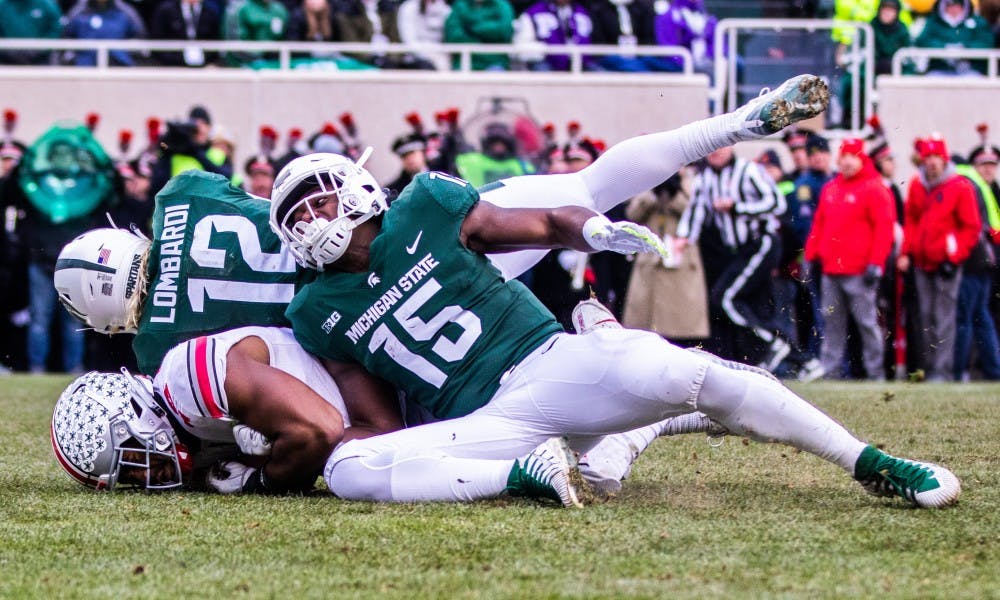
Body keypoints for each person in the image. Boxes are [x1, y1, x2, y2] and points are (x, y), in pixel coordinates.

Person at [55, 74, 834, 499]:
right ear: (127, 237)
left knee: (468, 426)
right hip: (398, 243)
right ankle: (728, 126)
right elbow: (273, 191)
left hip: (367, 325)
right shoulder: (181, 201)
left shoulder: (164, 346)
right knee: (588, 188)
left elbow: (266, 399)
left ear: (114, 324)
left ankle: (625, 412)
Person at [268, 77, 959, 509]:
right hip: (490, 422)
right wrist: (276, 442)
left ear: (357, 187)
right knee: (353, 469)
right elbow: (379, 424)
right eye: (295, 217)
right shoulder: (316, 309)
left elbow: (547, 218)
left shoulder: (427, 204)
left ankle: (869, 462)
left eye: (316, 203)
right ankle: (533, 472)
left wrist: (596, 233)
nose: (310, 221)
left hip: (546, 362)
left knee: (685, 369)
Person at [675, 145, 821, 381]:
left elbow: (776, 203)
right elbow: (696, 212)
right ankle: (804, 360)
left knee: (725, 298)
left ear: (731, 147)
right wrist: (684, 238)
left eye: (720, 147)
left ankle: (772, 343)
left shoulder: (748, 171)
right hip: (738, 251)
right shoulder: (705, 179)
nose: (715, 152)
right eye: (711, 148)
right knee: (754, 308)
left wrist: (737, 208)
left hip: (761, 243)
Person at [803, 138, 895, 381]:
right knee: (831, 322)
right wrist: (810, 256)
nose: (846, 161)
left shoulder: (874, 188)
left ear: (861, 159)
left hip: (860, 270)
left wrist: (877, 262)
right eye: (843, 155)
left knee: (866, 323)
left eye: (852, 155)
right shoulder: (831, 188)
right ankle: (830, 370)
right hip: (831, 270)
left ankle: (875, 373)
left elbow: (884, 229)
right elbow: (819, 226)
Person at [898, 137, 981, 382]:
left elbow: (970, 228)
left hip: (946, 263)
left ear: (943, 159)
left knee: (943, 318)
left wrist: (954, 255)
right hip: (923, 261)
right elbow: (911, 220)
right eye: (928, 158)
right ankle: (928, 368)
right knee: (925, 317)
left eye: (936, 158)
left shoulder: (960, 187)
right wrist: (907, 251)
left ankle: (942, 371)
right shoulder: (917, 185)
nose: (932, 163)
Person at [622, 169, 710, 346]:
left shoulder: (692, 183)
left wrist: (675, 194)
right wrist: (653, 194)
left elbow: (697, 213)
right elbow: (633, 214)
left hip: (681, 259)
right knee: (644, 326)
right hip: (650, 260)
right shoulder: (647, 181)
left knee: (681, 324)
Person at [915, 0, 993, 76]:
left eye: (957, 5)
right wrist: (944, 48)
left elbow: (986, 43)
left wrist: (964, 48)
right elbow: (922, 41)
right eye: (949, 5)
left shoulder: (978, 22)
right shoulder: (933, 22)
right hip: (939, 69)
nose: (954, 9)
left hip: (971, 70)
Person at [62, 0, 146, 67]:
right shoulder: (78, 13)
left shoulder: (126, 13)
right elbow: (66, 36)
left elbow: (139, 35)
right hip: (85, 67)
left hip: (119, 65)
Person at [443, 0, 515, 71]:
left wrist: (472, 28)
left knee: (497, 76)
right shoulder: (459, 5)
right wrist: (487, 40)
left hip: (494, 63)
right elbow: (454, 37)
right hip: (463, 64)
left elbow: (504, 31)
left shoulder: (502, 5)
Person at [149, 0, 223, 67]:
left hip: (202, 65)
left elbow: (215, 43)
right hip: (171, 66)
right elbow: (156, 42)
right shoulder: (165, 11)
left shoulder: (210, 12)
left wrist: (203, 59)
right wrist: (180, 60)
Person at [0, 0, 63, 66]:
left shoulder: (47, 4)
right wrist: (7, 50)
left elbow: (56, 28)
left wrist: (41, 49)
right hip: (6, 58)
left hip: (40, 59)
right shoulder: (2, 5)